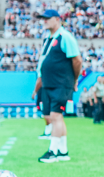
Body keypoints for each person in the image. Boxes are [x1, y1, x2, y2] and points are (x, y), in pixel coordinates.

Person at [33, 9, 81, 163]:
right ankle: (63, 151)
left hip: (61, 83)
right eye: (43, 18)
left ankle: (52, 152)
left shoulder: (65, 37)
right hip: (49, 83)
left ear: (57, 19)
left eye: (47, 18)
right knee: (53, 117)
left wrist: (73, 80)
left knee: (55, 116)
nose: (44, 21)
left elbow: (77, 60)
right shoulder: (47, 38)